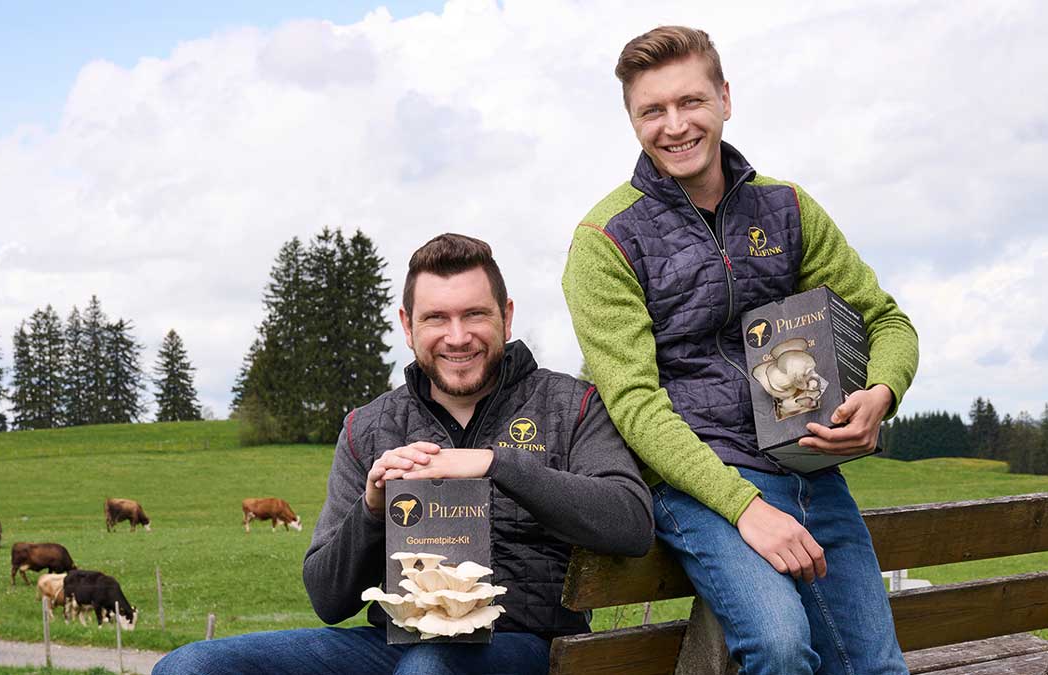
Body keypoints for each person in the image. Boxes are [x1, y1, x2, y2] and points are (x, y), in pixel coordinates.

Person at [562, 26, 919, 675]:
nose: (675, 125)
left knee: (876, 667)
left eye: (691, 101)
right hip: (696, 481)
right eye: (652, 110)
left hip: (808, 468)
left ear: (725, 98)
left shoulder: (786, 208)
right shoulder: (605, 240)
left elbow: (885, 320)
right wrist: (746, 508)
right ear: (632, 119)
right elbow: (636, 406)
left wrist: (881, 393)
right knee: (780, 646)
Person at [155, 233, 653, 675]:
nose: (457, 336)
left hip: (525, 645)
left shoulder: (570, 405)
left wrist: (496, 464)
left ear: (505, 317)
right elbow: (327, 600)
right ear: (407, 325)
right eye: (436, 318)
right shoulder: (368, 427)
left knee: (430, 666)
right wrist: (372, 509)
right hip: (393, 646)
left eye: (475, 314)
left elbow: (631, 523)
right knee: (189, 665)